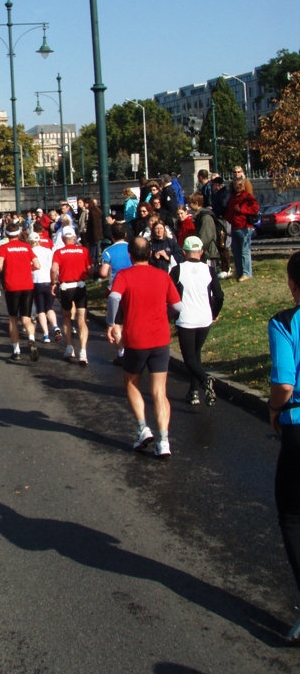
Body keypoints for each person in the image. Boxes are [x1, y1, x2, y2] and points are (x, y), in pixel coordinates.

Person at [106, 236, 182, 458]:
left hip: (136, 339)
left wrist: (111, 323)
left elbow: (113, 298)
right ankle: (164, 441)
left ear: (130, 255)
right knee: (160, 391)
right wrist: (163, 315)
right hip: (160, 338)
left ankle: (143, 428)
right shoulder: (162, 275)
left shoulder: (124, 275)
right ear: (150, 253)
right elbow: (178, 305)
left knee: (131, 383)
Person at [268, 251, 300, 643]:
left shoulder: (284, 321)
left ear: (292, 285)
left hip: (297, 425)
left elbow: (284, 383)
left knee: (292, 516)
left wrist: (274, 411)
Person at [170, 236, 224, 405]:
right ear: (201, 252)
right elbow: (219, 295)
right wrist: (214, 313)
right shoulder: (209, 270)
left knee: (189, 358)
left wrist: (171, 313)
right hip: (204, 318)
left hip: (185, 318)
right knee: (196, 354)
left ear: (184, 252)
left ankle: (204, 379)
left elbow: (169, 294)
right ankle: (193, 392)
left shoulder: (177, 270)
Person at [0, 224, 41, 362]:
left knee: (13, 318)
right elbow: (38, 265)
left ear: (6, 234)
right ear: (19, 233)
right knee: (26, 318)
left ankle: (16, 350)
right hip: (27, 285)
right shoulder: (26, 247)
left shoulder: (3, 248)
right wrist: (28, 268)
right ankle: (31, 339)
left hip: (12, 285)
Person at [51, 228, 94, 364]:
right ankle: (83, 352)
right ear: (75, 238)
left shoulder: (59, 252)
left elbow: (53, 269)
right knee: (82, 318)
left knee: (66, 317)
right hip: (80, 285)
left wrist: (53, 282)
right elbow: (90, 269)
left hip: (66, 287)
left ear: (63, 239)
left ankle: (69, 348)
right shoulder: (84, 251)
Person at [98, 222, 132, 365]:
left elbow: (104, 272)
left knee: (116, 323)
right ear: (125, 235)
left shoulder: (108, 251)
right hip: (132, 287)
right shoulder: (132, 247)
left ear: (112, 237)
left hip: (116, 289)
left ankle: (122, 353)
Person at [225, 169, 259, 281]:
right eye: (235, 184)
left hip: (244, 227)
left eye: (239, 184)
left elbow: (255, 209)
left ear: (243, 185)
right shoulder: (232, 197)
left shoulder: (247, 196)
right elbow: (229, 211)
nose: (237, 186)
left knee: (245, 252)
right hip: (234, 227)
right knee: (236, 252)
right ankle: (239, 272)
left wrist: (242, 209)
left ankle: (247, 273)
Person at [28, 231, 62, 344]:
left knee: (40, 310)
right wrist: (55, 281)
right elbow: (54, 266)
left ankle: (46, 335)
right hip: (49, 280)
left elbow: (31, 266)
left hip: (37, 281)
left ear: (30, 241)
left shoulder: (30, 251)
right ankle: (56, 327)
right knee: (49, 308)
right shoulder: (48, 251)